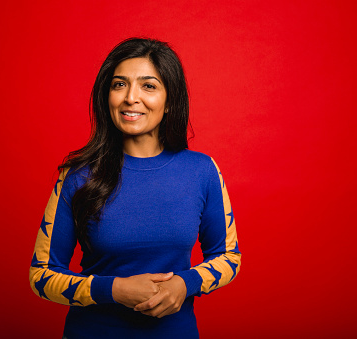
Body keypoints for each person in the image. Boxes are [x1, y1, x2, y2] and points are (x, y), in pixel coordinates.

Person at [29, 38, 241, 338]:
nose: (131, 97)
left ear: (170, 101)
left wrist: (185, 283)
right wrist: (114, 289)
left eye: (148, 86)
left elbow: (228, 256)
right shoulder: (76, 176)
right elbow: (41, 275)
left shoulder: (202, 170)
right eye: (119, 85)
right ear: (107, 96)